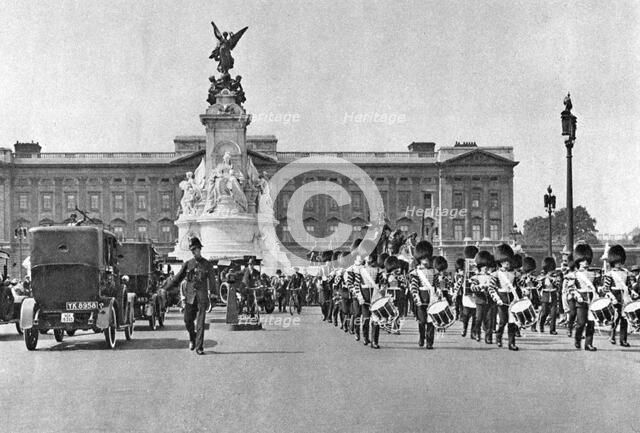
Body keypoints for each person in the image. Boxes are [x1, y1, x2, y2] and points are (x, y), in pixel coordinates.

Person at [163, 237, 215, 355]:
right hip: (190, 297)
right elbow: (177, 278)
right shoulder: (188, 264)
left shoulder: (207, 264)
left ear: (199, 249)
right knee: (187, 320)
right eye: (192, 250)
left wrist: (213, 295)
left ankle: (199, 347)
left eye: (195, 249)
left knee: (200, 323)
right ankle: (192, 337)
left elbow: (212, 282)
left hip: (202, 297)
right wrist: (165, 289)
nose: (194, 252)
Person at [602, 244, 638, 347]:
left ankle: (623, 340)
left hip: (625, 297)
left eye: (620, 261)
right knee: (615, 318)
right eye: (617, 262)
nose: (619, 264)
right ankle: (612, 335)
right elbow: (606, 288)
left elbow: (629, 286)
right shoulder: (610, 274)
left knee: (625, 319)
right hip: (615, 296)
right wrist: (612, 298)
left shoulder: (626, 273)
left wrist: (633, 292)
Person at [489, 243, 522, 351]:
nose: (507, 263)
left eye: (508, 261)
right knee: (503, 321)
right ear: (500, 262)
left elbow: (518, 286)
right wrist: (496, 299)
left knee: (512, 322)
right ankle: (499, 337)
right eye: (504, 261)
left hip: (512, 299)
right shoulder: (496, 274)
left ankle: (511, 343)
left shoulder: (515, 274)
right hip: (501, 299)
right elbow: (491, 288)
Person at [566, 243, 597, 351]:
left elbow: (598, 287)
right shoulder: (574, 274)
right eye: (583, 260)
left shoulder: (594, 274)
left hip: (592, 299)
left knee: (591, 323)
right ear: (578, 261)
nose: (585, 263)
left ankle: (588, 344)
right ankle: (577, 338)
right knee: (581, 323)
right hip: (581, 299)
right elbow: (570, 288)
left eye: (587, 260)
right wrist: (577, 295)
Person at [409, 240, 439, 349]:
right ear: (420, 258)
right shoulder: (415, 272)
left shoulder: (434, 271)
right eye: (423, 258)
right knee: (422, 321)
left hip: (432, 298)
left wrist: (439, 292)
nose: (425, 260)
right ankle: (422, 337)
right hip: (421, 298)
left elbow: (437, 285)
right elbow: (414, 286)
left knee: (431, 321)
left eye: (427, 258)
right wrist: (416, 297)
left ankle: (430, 342)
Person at [470, 250, 494, 344]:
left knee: (489, 320)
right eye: (484, 266)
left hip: (489, 300)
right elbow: (472, 287)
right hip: (480, 300)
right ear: (480, 267)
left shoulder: (491, 277)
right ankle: (477, 333)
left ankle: (488, 337)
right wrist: (480, 287)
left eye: (487, 266)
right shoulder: (475, 277)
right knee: (478, 319)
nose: (486, 268)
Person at [537, 257, 561, 334]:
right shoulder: (542, 276)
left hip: (553, 294)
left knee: (553, 313)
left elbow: (558, 285)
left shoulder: (555, 275)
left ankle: (552, 330)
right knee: (544, 313)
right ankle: (541, 325)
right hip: (545, 295)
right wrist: (543, 280)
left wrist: (552, 280)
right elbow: (539, 286)